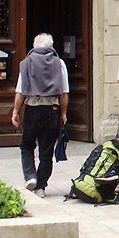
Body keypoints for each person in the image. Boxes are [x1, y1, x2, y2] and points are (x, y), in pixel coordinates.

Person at [12, 33, 69, 198]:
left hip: (32, 109)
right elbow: (64, 93)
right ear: (51, 47)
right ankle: (41, 186)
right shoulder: (60, 63)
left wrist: (15, 111)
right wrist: (63, 113)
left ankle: (30, 176)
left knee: (27, 145)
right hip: (51, 110)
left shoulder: (27, 63)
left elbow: (21, 91)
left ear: (34, 47)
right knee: (46, 150)